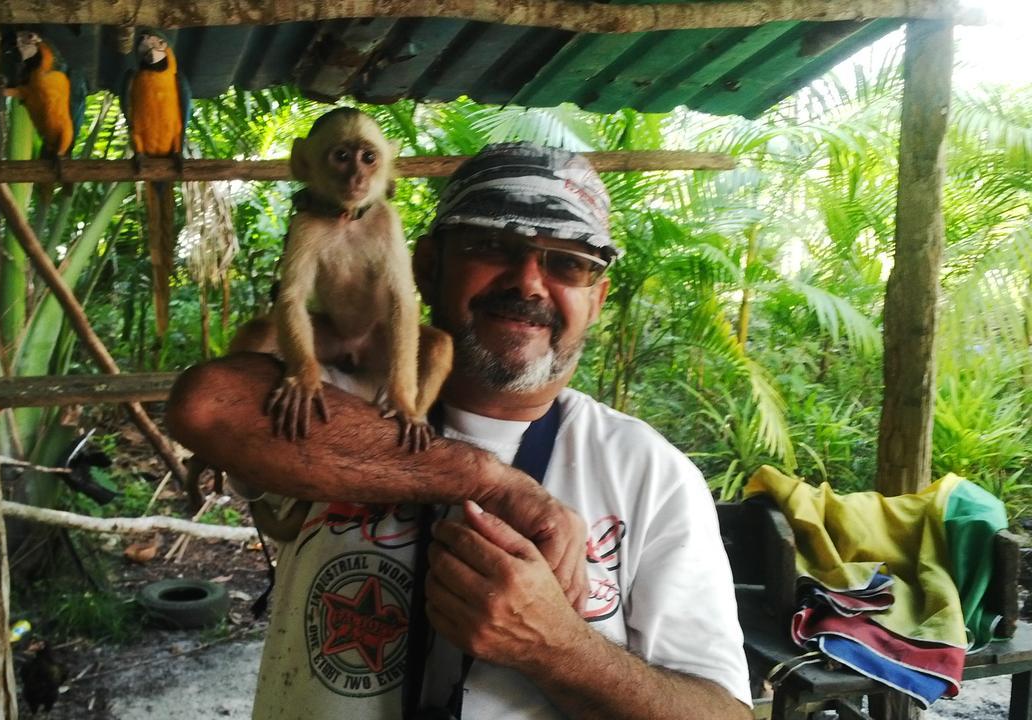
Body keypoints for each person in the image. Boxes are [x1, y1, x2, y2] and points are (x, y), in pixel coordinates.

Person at [166, 142, 752, 719]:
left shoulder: (650, 473)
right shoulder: (346, 394)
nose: (527, 282)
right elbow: (209, 405)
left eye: (568, 262)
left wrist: (556, 648)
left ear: (596, 299)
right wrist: (492, 480)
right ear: (426, 267)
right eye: (492, 246)